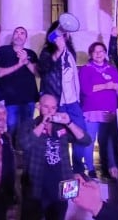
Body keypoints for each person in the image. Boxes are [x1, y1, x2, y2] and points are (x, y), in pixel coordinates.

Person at [16, 93, 90, 220]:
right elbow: (24, 144)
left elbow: (85, 140)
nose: (50, 110)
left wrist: (70, 123)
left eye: (53, 107)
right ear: (39, 106)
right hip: (36, 186)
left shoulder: (62, 126)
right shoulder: (29, 125)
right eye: (46, 107)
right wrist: (43, 125)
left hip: (63, 186)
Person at [39, 27, 92, 172]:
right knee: (58, 137)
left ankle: (78, 168)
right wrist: (58, 51)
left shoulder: (70, 52)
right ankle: (62, 169)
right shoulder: (47, 52)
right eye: (59, 33)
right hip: (57, 102)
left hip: (72, 102)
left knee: (81, 134)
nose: (62, 36)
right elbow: (42, 68)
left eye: (65, 33)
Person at [80, 41, 118, 178]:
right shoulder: (86, 69)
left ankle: (108, 168)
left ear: (105, 53)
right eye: (95, 51)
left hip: (109, 110)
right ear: (91, 54)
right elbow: (86, 90)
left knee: (107, 141)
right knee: (90, 141)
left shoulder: (112, 69)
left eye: (101, 51)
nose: (98, 54)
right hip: (91, 110)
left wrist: (116, 87)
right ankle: (90, 168)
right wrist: (107, 85)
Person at [0, 26, 39, 143]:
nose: (19, 35)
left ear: (25, 38)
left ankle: (24, 156)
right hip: (10, 99)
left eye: (22, 33)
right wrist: (19, 64)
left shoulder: (31, 53)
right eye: (16, 33)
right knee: (11, 127)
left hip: (29, 98)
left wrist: (26, 61)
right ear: (13, 36)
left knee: (27, 128)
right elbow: (0, 73)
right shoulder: (3, 51)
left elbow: (37, 73)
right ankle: (11, 155)